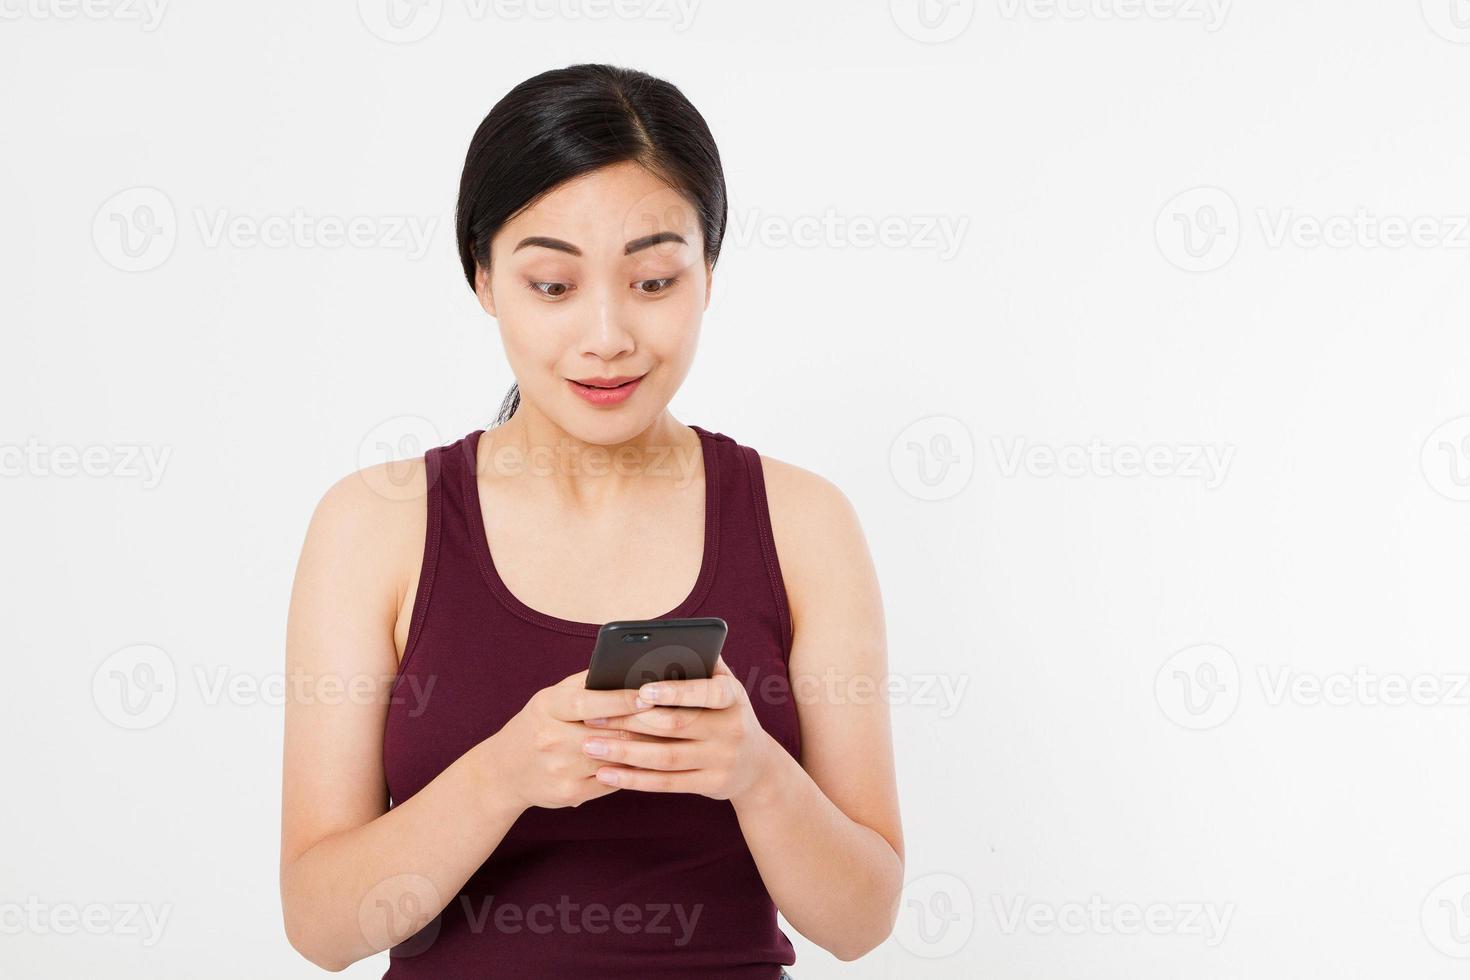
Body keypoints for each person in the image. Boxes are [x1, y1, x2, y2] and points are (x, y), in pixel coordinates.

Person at [279, 63, 903, 978]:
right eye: (553, 286)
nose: (607, 335)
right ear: (484, 279)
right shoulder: (375, 526)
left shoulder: (804, 523)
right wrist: (502, 777)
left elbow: (862, 920)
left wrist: (757, 774)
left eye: (653, 281)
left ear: (708, 273)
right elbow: (320, 927)